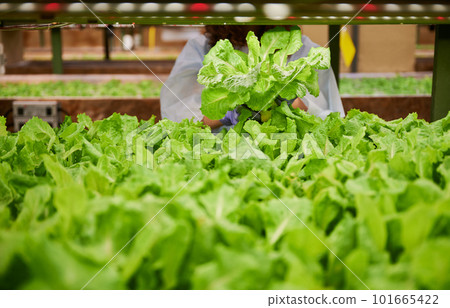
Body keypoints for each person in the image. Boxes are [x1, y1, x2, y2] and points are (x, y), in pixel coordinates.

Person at [160, 25, 344, 130]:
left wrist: (290, 104)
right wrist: (227, 112)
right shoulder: (201, 48)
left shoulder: (305, 50)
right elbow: (178, 117)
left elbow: (330, 119)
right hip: (219, 155)